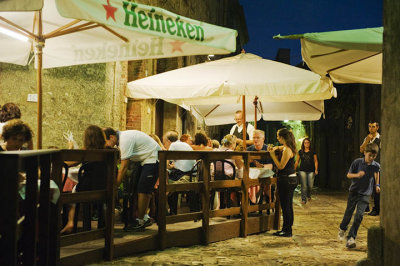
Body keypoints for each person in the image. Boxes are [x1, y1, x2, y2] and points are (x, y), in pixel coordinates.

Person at [104, 128, 161, 231]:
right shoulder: (122, 139)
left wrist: (115, 187)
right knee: (143, 189)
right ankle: (144, 217)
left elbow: (124, 167)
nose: (105, 145)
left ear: (112, 137)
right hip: (146, 159)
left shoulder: (124, 139)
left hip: (152, 158)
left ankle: (140, 221)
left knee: (143, 190)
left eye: (105, 141)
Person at [61, 125, 108, 234]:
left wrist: (69, 149)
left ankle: (71, 222)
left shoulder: (85, 151)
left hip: (87, 187)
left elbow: (70, 163)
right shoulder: (107, 152)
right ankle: (103, 224)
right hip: (103, 187)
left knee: (73, 192)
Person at [338, 143, 380, 249]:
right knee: (349, 212)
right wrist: (357, 175)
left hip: (365, 193)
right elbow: (348, 175)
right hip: (354, 191)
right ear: (365, 153)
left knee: (359, 216)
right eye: (369, 155)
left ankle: (351, 238)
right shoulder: (357, 162)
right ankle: (342, 228)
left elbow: (376, 173)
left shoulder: (376, 165)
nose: (371, 158)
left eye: (374, 156)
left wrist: (377, 185)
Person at [267, 128, 297, 237]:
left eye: (278, 136)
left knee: (286, 206)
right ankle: (287, 228)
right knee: (288, 205)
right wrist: (275, 148)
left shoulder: (287, 150)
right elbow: (279, 147)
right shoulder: (287, 147)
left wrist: (272, 155)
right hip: (291, 178)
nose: (277, 138)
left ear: (283, 137)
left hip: (287, 179)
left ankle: (287, 230)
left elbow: (280, 166)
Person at [162, 131, 196, 215]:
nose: (164, 146)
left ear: (168, 142)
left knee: (165, 183)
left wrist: (167, 166)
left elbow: (165, 164)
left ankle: (169, 212)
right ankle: (170, 210)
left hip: (185, 175)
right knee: (168, 177)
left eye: (164, 143)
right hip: (191, 173)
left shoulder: (173, 145)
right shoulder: (183, 144)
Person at [359, 121, 381, 216]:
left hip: (376, 166)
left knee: (376, 187)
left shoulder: (380, 139)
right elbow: (361, 149)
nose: (371, 128)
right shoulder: (367, 138)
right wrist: (367, 140)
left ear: (377, 127)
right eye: (369, 126)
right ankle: (366, 206)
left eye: (373, 126)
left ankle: (376, 209)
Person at [247, 129, 273, 205]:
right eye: (254, 137)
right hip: (252, 176)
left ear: (263, 139)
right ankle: (250, 203)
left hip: (264, 174)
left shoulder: (268, 149)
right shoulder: (248, 150)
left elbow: (270, 166)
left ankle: (261, 202)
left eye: (257, 137)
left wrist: (262, 166)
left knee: (264, 180)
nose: (255, 139)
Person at [294, 138, 319, 204]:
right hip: (302, 170)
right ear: (303, 144)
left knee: (310, 185)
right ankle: (303, 199)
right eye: (305, 143)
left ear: (309, 143)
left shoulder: (313, 151)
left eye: (308, 142)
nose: (306, 144)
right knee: (304, 185)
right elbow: (297, 161)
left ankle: (308, 195)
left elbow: (316, 161)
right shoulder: (300, 152)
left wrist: (316, 169)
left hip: (311, 170)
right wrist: (294, 169)